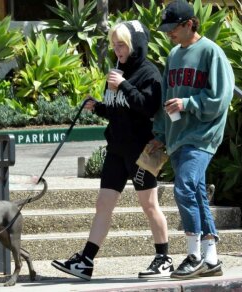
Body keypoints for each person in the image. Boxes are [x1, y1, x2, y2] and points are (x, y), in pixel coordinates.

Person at [51, 20, 174, 280]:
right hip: (116, 149)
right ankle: (86, 261)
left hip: (143, 151)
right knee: (103, 203)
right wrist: (97, 106)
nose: (118, 51)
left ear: (135, 45)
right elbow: (118, 110)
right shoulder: (117, 70)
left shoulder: (148, 73)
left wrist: (125, 85)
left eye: (122, 45)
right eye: (115, 45)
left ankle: (164, 258)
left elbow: (148, 107)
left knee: (149, 204)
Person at [150, 0, 235, 279]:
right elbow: (166, 97)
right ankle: (211, 258)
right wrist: (161, 135)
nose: (168, 34)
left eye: (172, 29)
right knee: (196, 192)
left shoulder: (212, 52)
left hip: (201, 136)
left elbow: (221, 98)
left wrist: (188, 103)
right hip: (177, 137)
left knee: (184, 188)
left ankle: (194, 254)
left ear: (189, 24)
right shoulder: (174, 54)